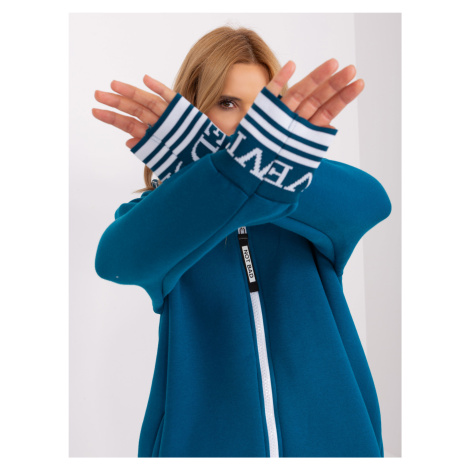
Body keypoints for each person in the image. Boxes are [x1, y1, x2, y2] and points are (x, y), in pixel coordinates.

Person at [92, 26, 391, 458]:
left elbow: (372, 202)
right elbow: (115, 261)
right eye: (228, 103)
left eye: (265, 108)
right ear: (195, 110)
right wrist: (212, 177)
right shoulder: (169, 218)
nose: (251, 125)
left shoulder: (304, 204)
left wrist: (246, 165)